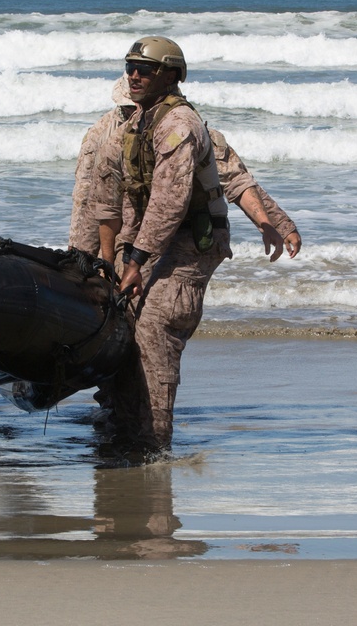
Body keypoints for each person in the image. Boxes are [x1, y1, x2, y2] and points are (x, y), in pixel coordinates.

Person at [90, 37, 232, 456]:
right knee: (125, 320)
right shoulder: (137, 123)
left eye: (145, 69)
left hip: (191, 241)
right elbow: (109, 192)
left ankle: (154, 446)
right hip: (154, 241)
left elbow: (169, 203)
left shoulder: (178, 125)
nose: (134, 75)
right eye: (130, 66)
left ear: (169, 76)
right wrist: (106, 257)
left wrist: (135, 260)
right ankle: (125, 427)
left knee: (156, 327)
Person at [70, 75, 302, 261]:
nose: (139, 113)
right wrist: (80, 255)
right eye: (132, 108)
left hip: (165, 230)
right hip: (117, 225)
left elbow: (235, 178)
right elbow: (86, 198)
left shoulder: (181, 128)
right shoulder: (101, 137)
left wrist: (280, 225)